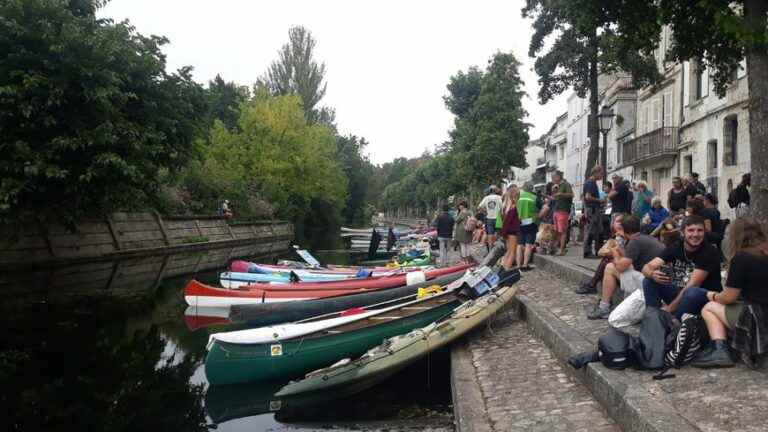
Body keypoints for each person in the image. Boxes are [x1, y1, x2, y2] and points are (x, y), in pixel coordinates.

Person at [693, 217, 768, 368]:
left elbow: (728, 297)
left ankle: (720, 351)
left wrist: (712, 295)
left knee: (709, 308)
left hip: (758, 317)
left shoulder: (741, 258)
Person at [641, 215, 722, 320]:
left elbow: (692, 285)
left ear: (704, 232)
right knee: (648, 281)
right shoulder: (676, 247)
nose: (695, 234)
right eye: (691, 230)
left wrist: (669, 309)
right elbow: (646, 267)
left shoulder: (709, 252)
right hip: (681, 294)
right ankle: (653, 319)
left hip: (704, 299)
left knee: (692, 292)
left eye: (700, 230)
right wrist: (652, 274)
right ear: (682, 232)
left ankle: (672, 321)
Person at [587, 215, 665, 319]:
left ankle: (604, 307)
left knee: (610, 267)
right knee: (613, 265)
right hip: (656, 280)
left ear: (624, 230)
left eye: (620, 229)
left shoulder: (635, 242)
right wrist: (619, 250)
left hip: (650, 283)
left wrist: (614, 252)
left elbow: (620, 267)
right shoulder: (644, 238)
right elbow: (629, 259)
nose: (618, 232)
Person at [582, 166, 605, 259]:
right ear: (596, 172)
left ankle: (598, 251)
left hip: (593, 209)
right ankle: (587, 252)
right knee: (591, 231)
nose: (602, 176)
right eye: (601, 173)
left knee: (598, 231)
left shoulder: (591, 182)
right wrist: (599, 200)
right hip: (592, 210)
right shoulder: (591, 182)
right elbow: (588, 197)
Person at [516, 182, 539, 271]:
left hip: (519, 222)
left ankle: (518, 265)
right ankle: (525, 265)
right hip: (530, 222)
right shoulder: (534, 197)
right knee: (528, 244)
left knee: (519, 245)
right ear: (531, 188)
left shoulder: (518, 197)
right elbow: (542, 208)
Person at [552, 170, 573, 256]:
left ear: (558, 177)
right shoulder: (557, 186)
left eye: (553, 177)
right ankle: (557, 248)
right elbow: (556, 197)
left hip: (563, 210)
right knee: (557, 231)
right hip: (557, 209)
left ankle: (562, 250)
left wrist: (560, 194)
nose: (552, 179)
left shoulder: (565, 184)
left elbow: (571, 195)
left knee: (562, 231)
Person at [501, 185, 521, 270]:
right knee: (512, 253)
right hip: (512, 231)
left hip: (506, 231)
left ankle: (502, 268)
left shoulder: (505, 206)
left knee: (508, 251)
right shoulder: (513, 206)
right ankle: (505, 270)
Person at [477, 186, 503, 250]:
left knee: (490, 234)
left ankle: (490, 250)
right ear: (495, 191)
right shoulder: (499, 197)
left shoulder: (486, 198)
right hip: (498, 218)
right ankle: (497, 249)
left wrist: (485, 211)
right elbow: (503, 207)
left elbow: (479, 207)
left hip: (489, 218)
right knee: (498, 234)